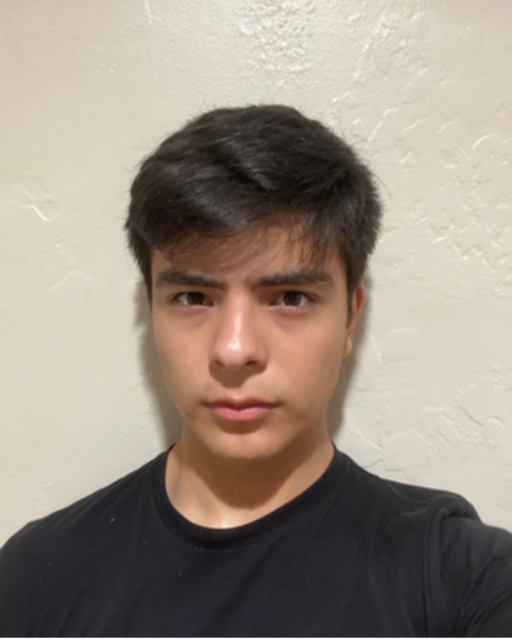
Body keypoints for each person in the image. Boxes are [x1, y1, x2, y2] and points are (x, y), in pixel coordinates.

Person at [0, 105, 511, 638]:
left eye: (290, 298)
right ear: (152, 309)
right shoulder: (36, 578)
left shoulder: (462, 580)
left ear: (350, 317)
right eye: (193, 297)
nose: (234, 349)